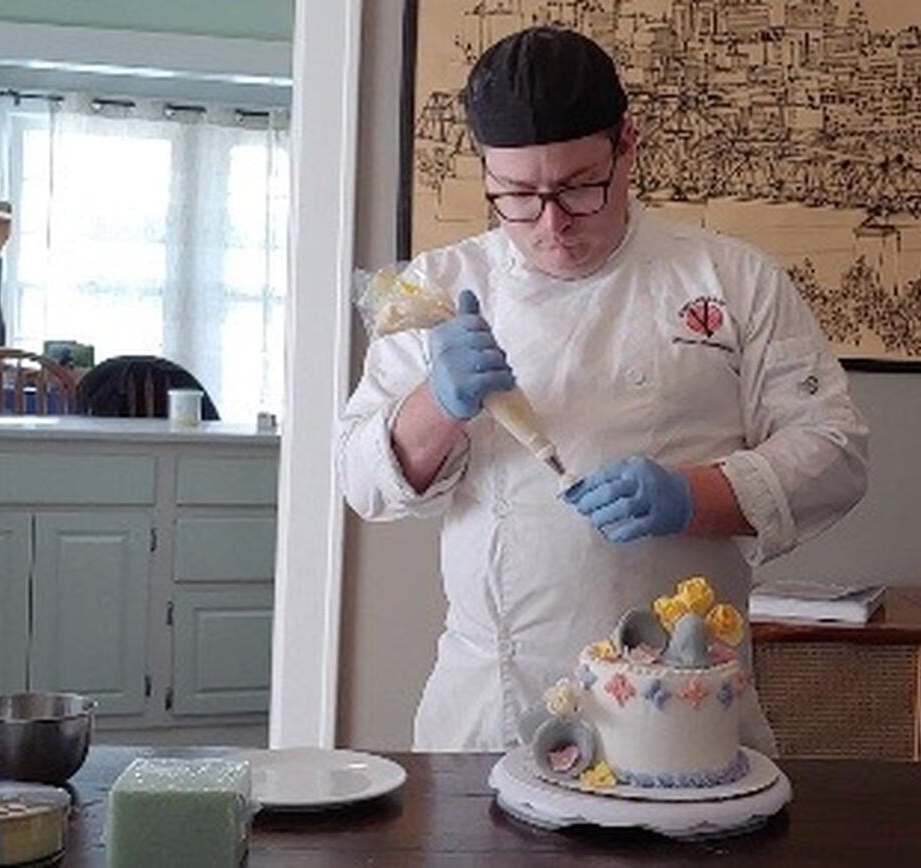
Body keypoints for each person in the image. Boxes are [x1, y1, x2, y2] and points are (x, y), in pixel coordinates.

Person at [336, 26, 869, 752]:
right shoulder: (438, 290)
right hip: (492, 714)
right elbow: (361, 481)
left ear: (627, 143)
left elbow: (835, 453)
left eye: (580, 187)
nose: (551, 224)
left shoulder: (732, 279)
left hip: (687, 713)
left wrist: (694, 496)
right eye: (518, 195)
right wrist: (438, 401)